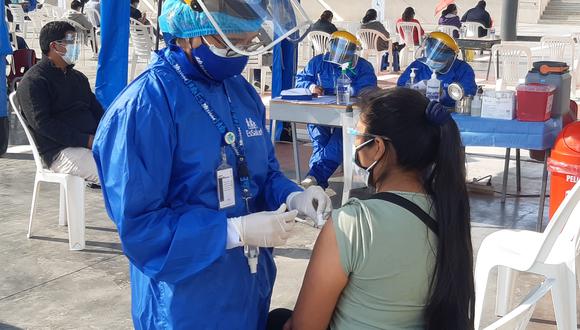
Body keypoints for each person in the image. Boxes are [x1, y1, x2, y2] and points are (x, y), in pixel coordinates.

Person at [92, 0, 331, 328]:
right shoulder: (146, 106)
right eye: (229, 42)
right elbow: (141, 228)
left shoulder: (241, 92)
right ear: (189, 34)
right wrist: (232, 231)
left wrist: (293, 196)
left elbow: (262, 172)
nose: (240, 52)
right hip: (186, 299)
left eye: (247, 42)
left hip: (247, 284)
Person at [266, 88, 475, 330]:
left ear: (377, 146)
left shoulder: (352, 223)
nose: (355, 149)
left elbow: (304, 327)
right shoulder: (450, 214)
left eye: (357, 137)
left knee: (277, 321)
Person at [17, 21, 102, 184]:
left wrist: (108, 132)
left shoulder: (78, 78)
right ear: (54, 46)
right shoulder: (34, 82)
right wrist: (86, 140)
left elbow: (97, 111)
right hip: (59, 151)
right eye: (71, 42)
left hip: (91, 144)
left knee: (138, 162)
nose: (76, 46)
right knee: (117, 174)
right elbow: (43, 124)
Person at [295, 31, 377, 189]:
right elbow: (302, 79)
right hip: (322, 111)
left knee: (343, 137)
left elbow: (370, 87)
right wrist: (312, 86)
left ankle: (315, 178)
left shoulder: (362, 66)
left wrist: (351, 90)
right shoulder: (319, 62)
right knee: (319, 138)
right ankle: (317, 182)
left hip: (350, 115)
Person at [397, 32, 476, 107]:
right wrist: (415, 89)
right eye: (430, 60)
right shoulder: (418, 65)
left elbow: (468, 92)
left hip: (449, 112)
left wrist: (445, 95)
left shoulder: (463, 69)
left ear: (450, 58)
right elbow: (400, 86)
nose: (433, 64)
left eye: (439, 61)